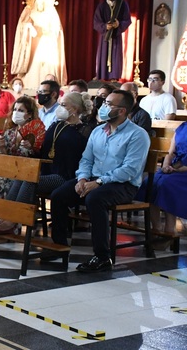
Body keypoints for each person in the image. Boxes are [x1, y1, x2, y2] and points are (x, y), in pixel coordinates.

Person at [49, 90, 150, 272]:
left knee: (95, 198)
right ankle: (59, 246)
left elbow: (129, 170)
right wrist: (82, 178)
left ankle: (103, 257)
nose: (103, 107)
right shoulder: (97, 131)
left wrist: (99, 182)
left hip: (123, 185)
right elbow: (86, 160)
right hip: (93, 179)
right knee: (58, 195)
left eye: (109, 104)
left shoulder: (137, 135)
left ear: (122, 111)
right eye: (104, 103)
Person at [0, 92, 93, 235]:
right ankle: (6, 217)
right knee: (22, 177)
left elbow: (83, 157)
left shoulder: (84, 130)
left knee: (30, 180)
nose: (59, 108)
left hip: (66, 176)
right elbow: (42, 149)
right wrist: (31, 147)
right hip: (47, 171)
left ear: (74, 109)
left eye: (63, 105)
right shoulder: (56, 125)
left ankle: (13, 220)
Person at [0, 96, 46, 234]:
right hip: (9, 169)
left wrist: (31, 148)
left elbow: (32, 158)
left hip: (24, 172)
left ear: (29, 114)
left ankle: (7, 225)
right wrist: (2, 149)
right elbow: (5, 159)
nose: (16, 112)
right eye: (15, 109)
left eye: (21, 110)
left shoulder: (35, 133)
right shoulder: (10, 132)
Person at [137, 122, 187, 250]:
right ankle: (156, 228)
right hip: (174, 167)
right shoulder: (182, 128)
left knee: (167, 185)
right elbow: (171, 153)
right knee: (151, 183)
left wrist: (179, 169)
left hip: (184, 172)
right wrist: (165, 165)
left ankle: (170, 231)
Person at [12, 0, 67, 90]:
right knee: (34, 65)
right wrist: (30, 28)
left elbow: (57, 29)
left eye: (42, 2)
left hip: (47, 43)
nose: (40, 5)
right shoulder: (31, 14)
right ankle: (32, 85)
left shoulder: (51, 14)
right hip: (35, 45)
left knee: (47, 66)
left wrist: (50, 32)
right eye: (38, 2)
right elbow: (23, 26)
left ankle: (49, 86)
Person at [94, 0, 131, 81]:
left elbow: (127, 20)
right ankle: (102, 76)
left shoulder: (123, 5)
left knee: (115, 55)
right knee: (103, 54)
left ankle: (114, 77)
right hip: (105, 35)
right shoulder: (101, 6)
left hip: (116, 36)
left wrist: (118, 24)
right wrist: (105, 26)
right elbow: (96, 22)